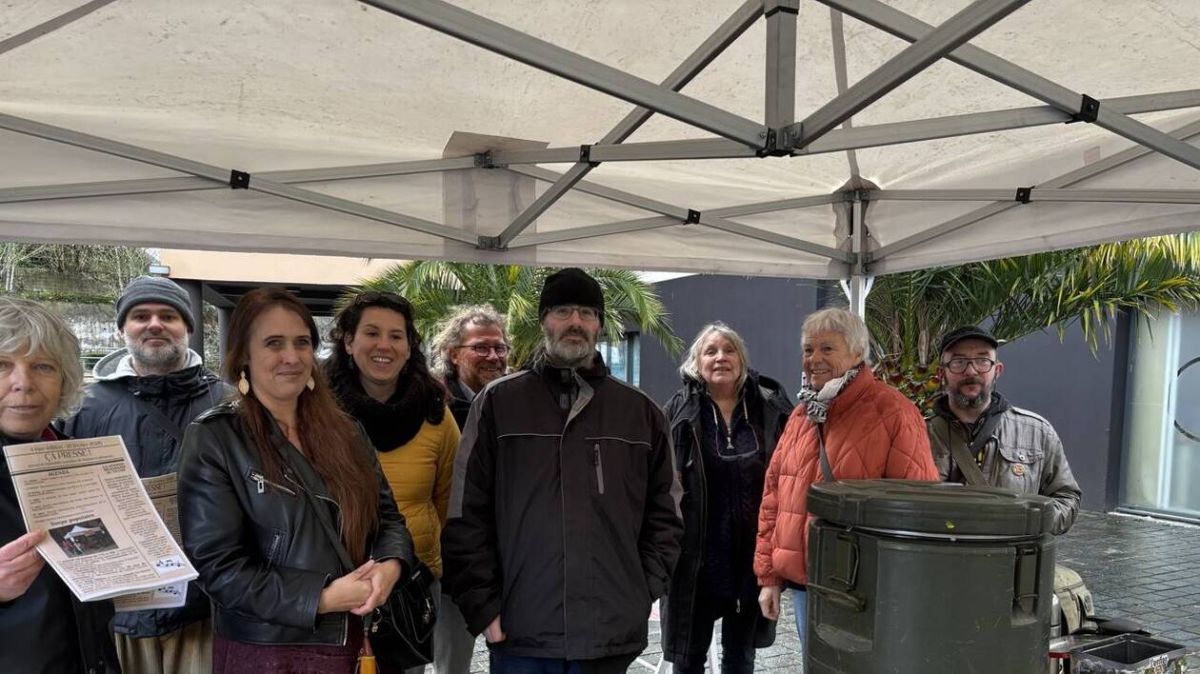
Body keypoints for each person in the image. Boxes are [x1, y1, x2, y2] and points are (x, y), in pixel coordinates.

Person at [442, 267, 684, 674]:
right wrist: (483, 606)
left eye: (587, 313)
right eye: (563, 311)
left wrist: (639, 592)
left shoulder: (640, 412)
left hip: (608, 633)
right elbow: (466, 513)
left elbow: (668, 514)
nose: (575, 322)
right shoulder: (499, 404)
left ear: (600, 325)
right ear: (543, 321)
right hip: (522, 631)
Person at [177, 288, 415, 674]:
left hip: (353, 639)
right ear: (244, 356)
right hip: (268, 650)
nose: (291, 357)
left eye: (302, 342)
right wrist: (319, 599)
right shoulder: (216, 438)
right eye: (274, 343)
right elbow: (217, 567)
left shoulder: (347, 430)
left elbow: (388, 519)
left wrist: (391, 565)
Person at [65, 275, 229, 674]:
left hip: (204, 605)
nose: (154, 324)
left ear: (187, 328)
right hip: (118, 604)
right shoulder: (85, 407)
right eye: (140, 315)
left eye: (168, 315)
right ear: (123, 328)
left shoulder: (227, 402)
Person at [754, 307, 938, 647]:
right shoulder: (801, 414)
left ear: (857, 353)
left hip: (865, 587)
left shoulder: (894, 411)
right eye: (808, 350)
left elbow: (917, 506)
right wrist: (768, 577)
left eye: (827, 348)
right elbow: (773, 498)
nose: (814, 359)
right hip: (806, 584)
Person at [326, 291, 474, 674]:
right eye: (371, 333)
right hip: (333, 585)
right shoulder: (315, 412)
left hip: (410, 587)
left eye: (396, 336)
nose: (384, 346)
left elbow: (449, 502)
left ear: (410, 347)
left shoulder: (435, 415)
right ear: (348, 341)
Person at [661, 323, 794, 674]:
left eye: (729, 349)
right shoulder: (677, 412)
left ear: (742, 359)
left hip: (751, 558)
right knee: (689, 660)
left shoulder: (770, 408)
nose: (721, 357)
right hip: (696, 560)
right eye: (711, 351)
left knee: (741, 657)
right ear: (696, 363)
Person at [0, 296, 121, 673]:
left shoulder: (79, 458)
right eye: (2, 365)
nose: (24, 384)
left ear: (65, 379)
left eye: (43, 366)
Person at [926, 325, 1082, 534]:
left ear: (997, 370)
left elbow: (1066, 497)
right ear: (941, 373)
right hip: (940, 561)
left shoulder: (1037, 432)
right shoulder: (919, 434)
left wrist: (1029, 522)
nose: (971, 371)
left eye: (982, 360)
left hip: (1011, 562)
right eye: (958, 362)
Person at [430, 304, 509, 430]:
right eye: (481, 348)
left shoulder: (519, 402)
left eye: (500, 348)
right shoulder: (435, 405)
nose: (494, 357)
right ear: (454, 355)